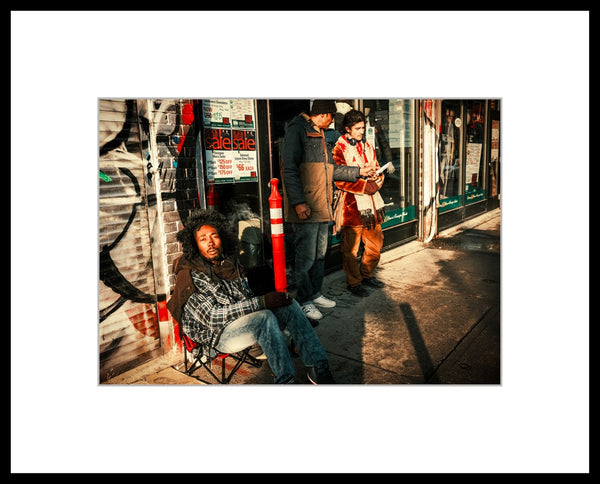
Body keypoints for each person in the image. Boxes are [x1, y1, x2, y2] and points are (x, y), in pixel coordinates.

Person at [166, 209, 334, 384]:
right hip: (217, 337)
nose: (210, 243)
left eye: (214, 236)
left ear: (222, 238)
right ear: (194, 245)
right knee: (264, 317)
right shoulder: (191, 275)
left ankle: (318, 368)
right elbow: (213, 318)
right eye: (203, 239)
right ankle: (285, 379)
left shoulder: (228, 263)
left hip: (242, 323)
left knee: (289, 305)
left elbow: (245, 297)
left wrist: (269, 300)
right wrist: (262, 302)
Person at [280, 100, 375, 320]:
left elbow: (331, 170)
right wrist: (298, 202)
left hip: (322, 205)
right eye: (332, 116)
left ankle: (314, 293)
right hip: (307, 206)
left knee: (320, 255)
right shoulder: (298, 130)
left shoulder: (321, 133)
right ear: (322, 115)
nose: (334, 120)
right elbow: (289, 170)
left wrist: (359, 171)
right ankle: (304, 300)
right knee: (305, 258)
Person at [331, 109, 386, 297]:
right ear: (347, 129)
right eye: (357, 128)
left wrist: (379, 179)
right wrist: (365, 187)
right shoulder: (339, 148)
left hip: (373, 204)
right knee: (351, 250)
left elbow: (377, 167)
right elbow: (339, 179)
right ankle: (354, 282)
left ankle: (367, 274)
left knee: (375, 245)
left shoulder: (368, 146)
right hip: (352, 206)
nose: (361, 132)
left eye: (363, 127)